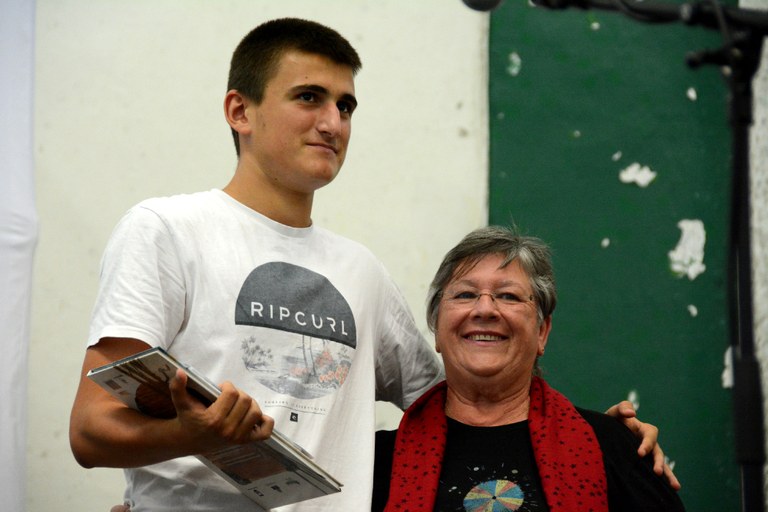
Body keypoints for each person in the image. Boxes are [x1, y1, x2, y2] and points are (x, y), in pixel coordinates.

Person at [69, 18, 673, 512]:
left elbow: (468, 401)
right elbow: (90, 431)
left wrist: (601, 439)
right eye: (309, 97)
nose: (333, 122)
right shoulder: (166, 229)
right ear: (239, 111)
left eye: (346, 105)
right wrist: (191, 435)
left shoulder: (360, 270)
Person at [372, 225, 686, 511]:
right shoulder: (375, 463)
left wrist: (617, 440)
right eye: (465, 294)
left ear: (542, 332)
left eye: (508, 296)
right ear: (437, 331)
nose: (485, 309)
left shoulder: (610, 449)